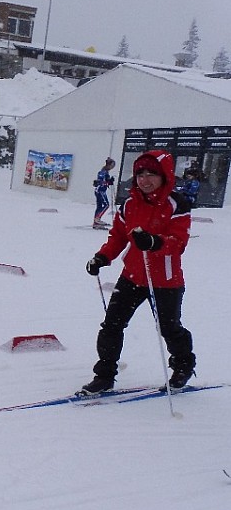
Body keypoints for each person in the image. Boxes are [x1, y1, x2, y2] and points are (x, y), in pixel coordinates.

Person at [80, 149, 196, 395]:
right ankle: (104, 376)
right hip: (133, 275)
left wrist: (155, 242)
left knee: (170, 328)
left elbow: (178, 241)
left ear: (164, 175)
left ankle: (183, 367)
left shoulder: (177, 204)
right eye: (140, 174)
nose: (145, 179)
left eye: (151, 174)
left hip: (165, 280)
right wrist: (102, 257)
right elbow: (119, 236)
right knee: (111, 325)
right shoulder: (130, 204)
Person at [92, 157, 116, 228]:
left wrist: (110, 181)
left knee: (99, 206)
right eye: (112, 165)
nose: (112, 167)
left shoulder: (105, 172)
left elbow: (106, 182)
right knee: (106, 205)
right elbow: (100, 182)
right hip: (100, 191)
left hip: (101, 190)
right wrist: (108, 181)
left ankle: (96, 221)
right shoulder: (103, 172)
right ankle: (97, 219)